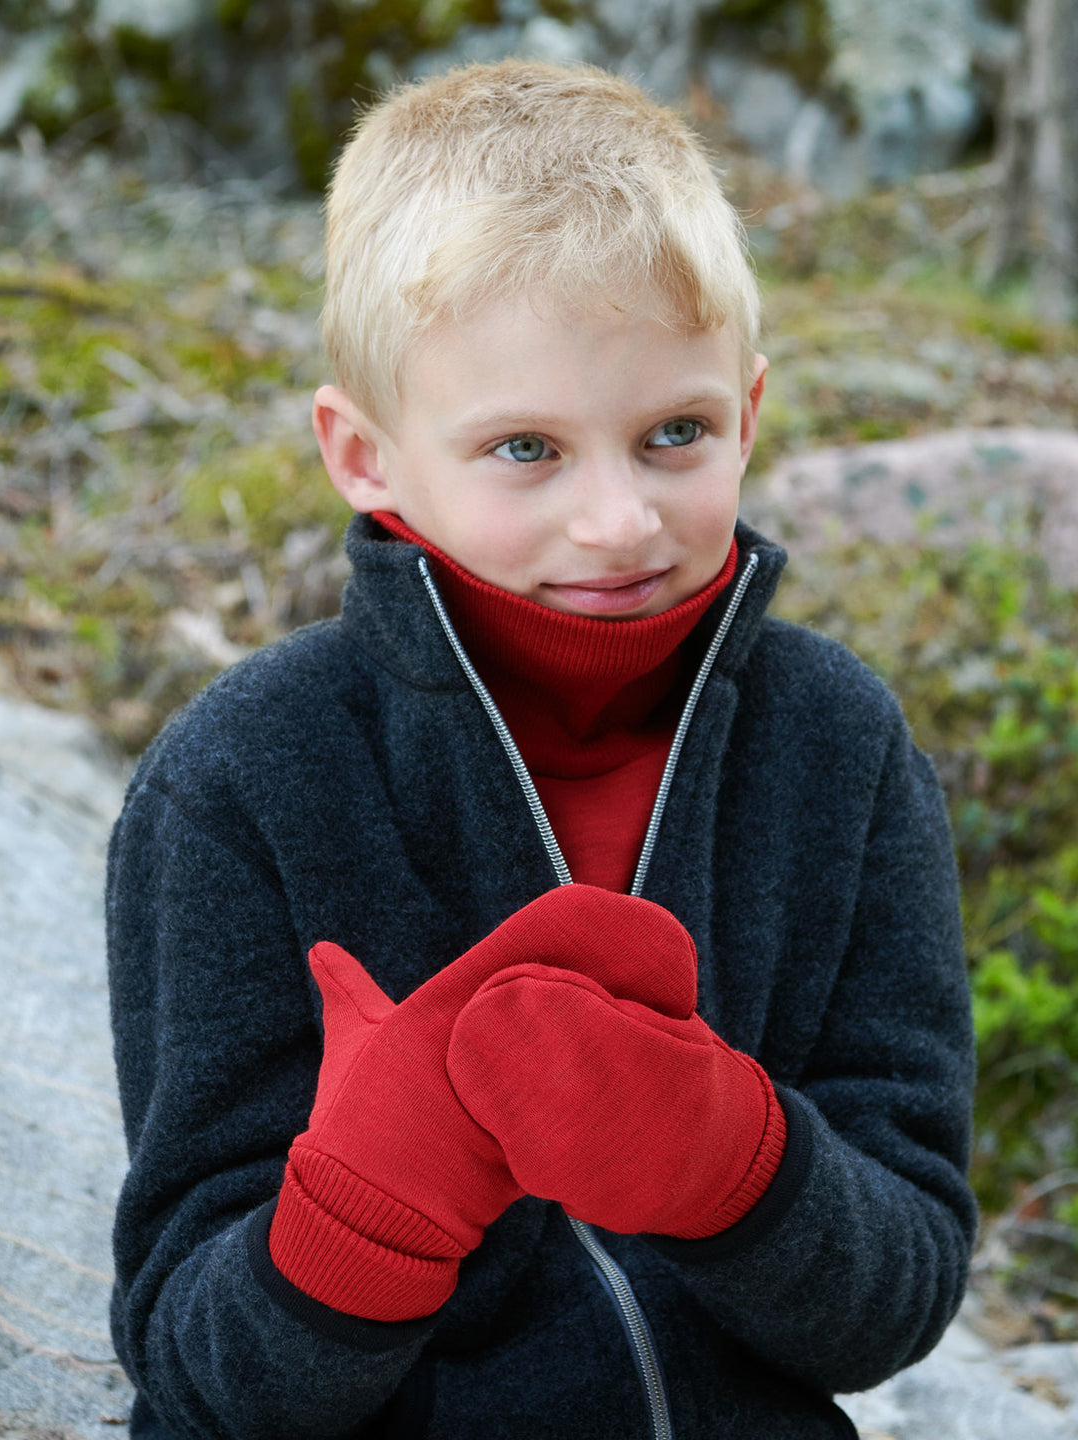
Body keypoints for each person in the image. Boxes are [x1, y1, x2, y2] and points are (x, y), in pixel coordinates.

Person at [106, 58, 977, 1440]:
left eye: (674, 434)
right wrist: (364, 1215)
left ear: (750, 412)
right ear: (364, 453)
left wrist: (734, 1168)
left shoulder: (837, 745)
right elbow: (198, 1370)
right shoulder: (238, 783)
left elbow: (902, 1293)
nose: (621, 521)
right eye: (528, 448)